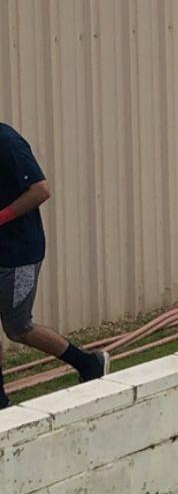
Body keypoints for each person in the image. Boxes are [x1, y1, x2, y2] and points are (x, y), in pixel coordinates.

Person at [0, 122, 109, 409]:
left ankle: (88, 363)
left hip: (19, 254)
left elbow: (40, 190)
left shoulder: (8, 142)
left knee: (18, 327)